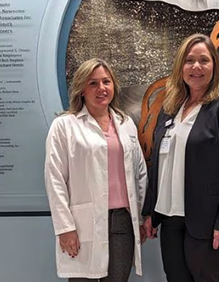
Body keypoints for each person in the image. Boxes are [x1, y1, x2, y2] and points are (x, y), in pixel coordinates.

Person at [142, 34, 219, 282]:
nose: (196, 67)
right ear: (180, 66)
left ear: (214, 65)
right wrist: (150, 212)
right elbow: (159, 165)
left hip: (210, 224)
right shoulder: (171, 108)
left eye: (204, 60)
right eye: (189, 60)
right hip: (172, 220)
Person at [45, 58, 147, 282]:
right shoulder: (65, 126)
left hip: (123, 221)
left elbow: (139, 172)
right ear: (82, 89)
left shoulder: (125, 123)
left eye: (106, 82)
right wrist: (65, 227)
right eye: (93, 83)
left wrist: (138, 218)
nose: (101, 88)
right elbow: (55, 179)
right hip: (83, 223)